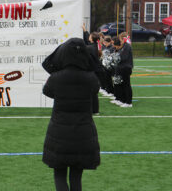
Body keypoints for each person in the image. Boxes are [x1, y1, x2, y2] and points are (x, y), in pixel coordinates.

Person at [42, 38, 100, 191]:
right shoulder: (90, 78)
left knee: (59, 175)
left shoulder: (56, 78)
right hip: (83, 132)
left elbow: (47, 91)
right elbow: (96, 86)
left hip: (59, 132)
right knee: (76, 177)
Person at [82, 25, 103, 115]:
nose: (88, 37)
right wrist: (85, 30)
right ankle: (95, 110)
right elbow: (87, 40)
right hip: (96, 71)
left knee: (92, 92)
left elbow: (84, 47)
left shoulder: (90, 48)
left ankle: (93, 110)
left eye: (90, 35)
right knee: (93, 92)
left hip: (94, 72)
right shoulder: (94, 46)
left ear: (92, 38)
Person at [113, 33, 133, 108]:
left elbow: (123, 57)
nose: (120, 41)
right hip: (121, 67)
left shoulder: (127, 46)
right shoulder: (123, 46)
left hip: (126, 68)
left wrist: (115, 57)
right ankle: (123, 100)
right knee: (121, 84)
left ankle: (128, 102)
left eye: (121, 39)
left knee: (126, 85)